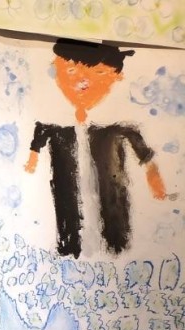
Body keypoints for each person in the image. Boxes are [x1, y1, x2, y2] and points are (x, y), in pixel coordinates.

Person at [25, 39, 170, 258]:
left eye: (99, 73)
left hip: (110, 194)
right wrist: (32, 159)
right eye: (71, 70)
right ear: (57, 71)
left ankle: (115, 247)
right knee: (69, 221)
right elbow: (41, 133)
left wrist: (152, 171)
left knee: (114, 226)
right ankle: (71, 247)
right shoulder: (55, 119)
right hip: (68, 195)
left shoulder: (114, 121)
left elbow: (134, 137)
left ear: (116, 76)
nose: (83, 80)